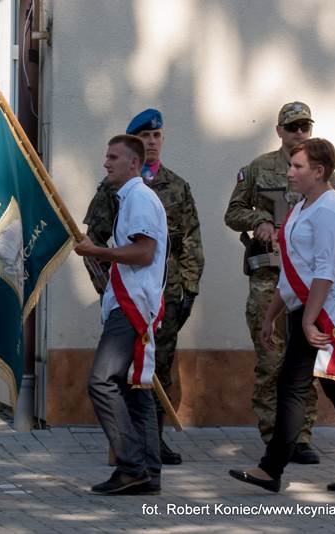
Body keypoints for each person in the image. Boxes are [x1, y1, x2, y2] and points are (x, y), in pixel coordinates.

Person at [229, 138, 335, 493]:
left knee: (296, 385)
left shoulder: (329, 210)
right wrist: (270, 317)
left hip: (330, 309)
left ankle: (272, 469)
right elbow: (292, 272)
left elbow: (325, 272)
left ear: (319, 171)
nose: (289, 171)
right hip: (309, 307)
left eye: (297, 167)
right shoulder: (301, 208)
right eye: (290, 165)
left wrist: (310, 321)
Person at [224, 102, 335, 464]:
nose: (299, 133)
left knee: (304, 364)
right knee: (271, 361)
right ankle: (273, 435)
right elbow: (233, 213)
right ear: (279, 131)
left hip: (310, 286)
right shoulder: (259, 169)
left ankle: (300, 437)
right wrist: (259, 218)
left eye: (304, 126)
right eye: (292, 127)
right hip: (269, 279)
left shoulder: (328, 178)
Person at [75, 135, 167, 495]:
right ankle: (148, 470)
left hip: (132, 305)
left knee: (101, 381)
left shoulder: (139, 198)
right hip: (132, 303)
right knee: (134, 388)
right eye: (106, 155)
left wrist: (98, 250)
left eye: (113, 157)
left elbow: (143, 253)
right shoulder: (131, 198)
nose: (106, 162)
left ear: (134, 163)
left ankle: (131, 465)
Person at [127, 109, 203, 465]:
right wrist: (104, 288)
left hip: (167, 296)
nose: (152, 142)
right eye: (145, 137)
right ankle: (127, 443)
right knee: (127, 368)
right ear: (135, 143)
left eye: (157, 136)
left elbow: (190, 240)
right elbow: (93, 242)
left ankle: (154, 441)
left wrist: (189, 288)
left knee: (160, 367)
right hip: (128, 297)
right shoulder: (117, 187)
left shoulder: (177, 186)